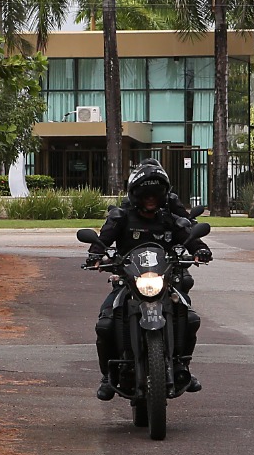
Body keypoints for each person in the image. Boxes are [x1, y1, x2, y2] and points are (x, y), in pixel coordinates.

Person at [87, 161, 209, 400]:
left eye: (155, 194)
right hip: (128, 282)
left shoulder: (169, 220)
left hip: (164, 282)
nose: (151, 199)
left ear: (163, 195)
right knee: (105, 324)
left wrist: (200, 250)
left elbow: (190, 238)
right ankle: (108, 376)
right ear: (136, 195)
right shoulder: (121, 218)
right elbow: (102, 240)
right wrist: (95, 255)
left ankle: (182, 366)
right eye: (146, 194)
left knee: (190, 318)